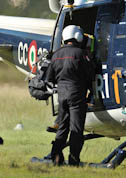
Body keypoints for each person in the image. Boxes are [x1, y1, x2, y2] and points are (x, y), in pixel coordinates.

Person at [45, 25, 93, 166]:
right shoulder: (82, 54)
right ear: (78, 37)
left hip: (62, 96)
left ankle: (56, 157)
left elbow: (50, 78)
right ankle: (74, 160)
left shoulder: (56, 54)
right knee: (76, 129)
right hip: (76, 95)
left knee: (62, 127)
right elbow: (90, 74)